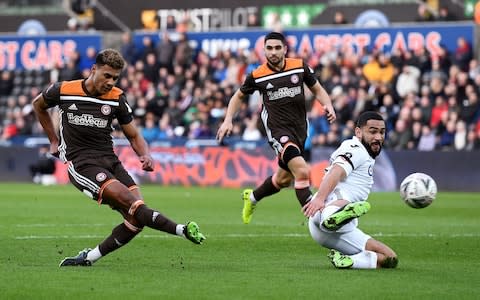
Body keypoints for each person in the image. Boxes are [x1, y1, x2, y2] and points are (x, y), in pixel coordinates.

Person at [32, 49, 205, 267]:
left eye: (115, 78)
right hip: (82, 164)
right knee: (135, 206)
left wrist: (145, 154)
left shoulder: (116, 98)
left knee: (136, 218)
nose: (111, 82)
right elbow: (38, 105)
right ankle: (182, 229)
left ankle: (88, 258)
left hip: (110, 161)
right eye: (107, 76)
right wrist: (53, 140)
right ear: (94, 70)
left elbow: (133, 134)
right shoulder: (65, 90)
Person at [216, 32, 336, 224]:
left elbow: (317, 89)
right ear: (264, 50)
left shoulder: (298, 66)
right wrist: (228, 119)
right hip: (277, 132)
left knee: (283, 180)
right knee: (302, 171)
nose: (273, 52)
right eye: (269, 48)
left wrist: (327, 104)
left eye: (277, 48)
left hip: (299, 131)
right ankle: (321, 220)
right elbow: (238, 96)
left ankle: (252, 198)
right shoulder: (257, 75)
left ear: (285, 49)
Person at [303, 111, 398, 269]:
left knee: (390, 258)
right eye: (372, 131)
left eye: (382, 132)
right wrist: (319, 198)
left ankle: (350, 261)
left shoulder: (363, 153)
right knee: (336, 207)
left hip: (330, 233)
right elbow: (337, 171)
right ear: (358, 132)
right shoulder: (356, 148)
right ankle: (334, 216)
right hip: (327, 206)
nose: (378, 137)